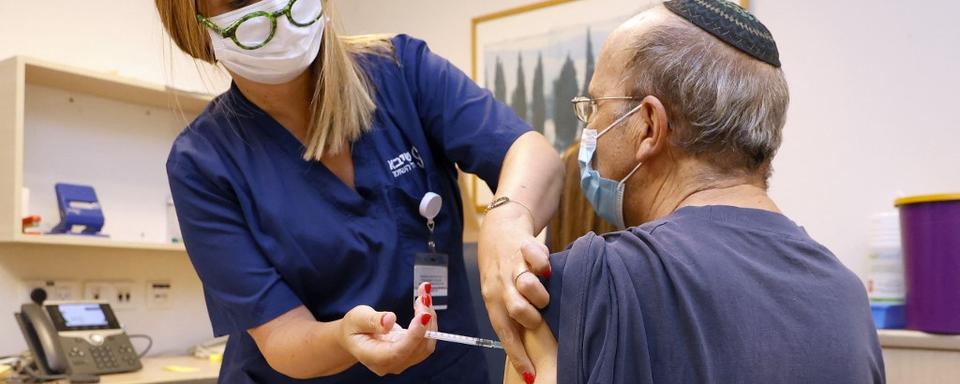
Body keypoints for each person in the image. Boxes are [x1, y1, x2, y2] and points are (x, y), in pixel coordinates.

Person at [156, 0, 562, 382]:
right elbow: (283, 337)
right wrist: (343, 337)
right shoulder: (203, 162)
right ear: (191, 25)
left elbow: (529, 151)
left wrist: (507, 217)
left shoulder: (401, 71)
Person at [506, 1, 885, 383]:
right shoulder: (847, 297)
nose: (590, 130)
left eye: (595, 107)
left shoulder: (579, 284)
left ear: (649, 126)